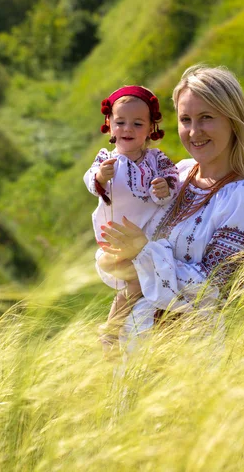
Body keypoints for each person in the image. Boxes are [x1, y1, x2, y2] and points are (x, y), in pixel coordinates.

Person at [98, 65, 244, 351]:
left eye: (206, 118)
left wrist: (143, 251)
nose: (194, 131)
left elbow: (218, 289)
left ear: (233, 121)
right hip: (135, 349)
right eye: (185, 119)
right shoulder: (179, 174)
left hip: (187, 358)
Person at [83, 85, 180, 348]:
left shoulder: (157, 159)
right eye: (121, 122)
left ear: (151, 128)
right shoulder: (107, 159)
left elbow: (173, 180)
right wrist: (101, 177)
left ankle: (125, 334)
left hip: (147, 236)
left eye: (137, 123)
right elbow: (90, 180)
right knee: (136, 282)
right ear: (110, 125)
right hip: (116, 237)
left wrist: (165, 187)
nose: (127, 129)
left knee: (139, 284)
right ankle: (111, 330)